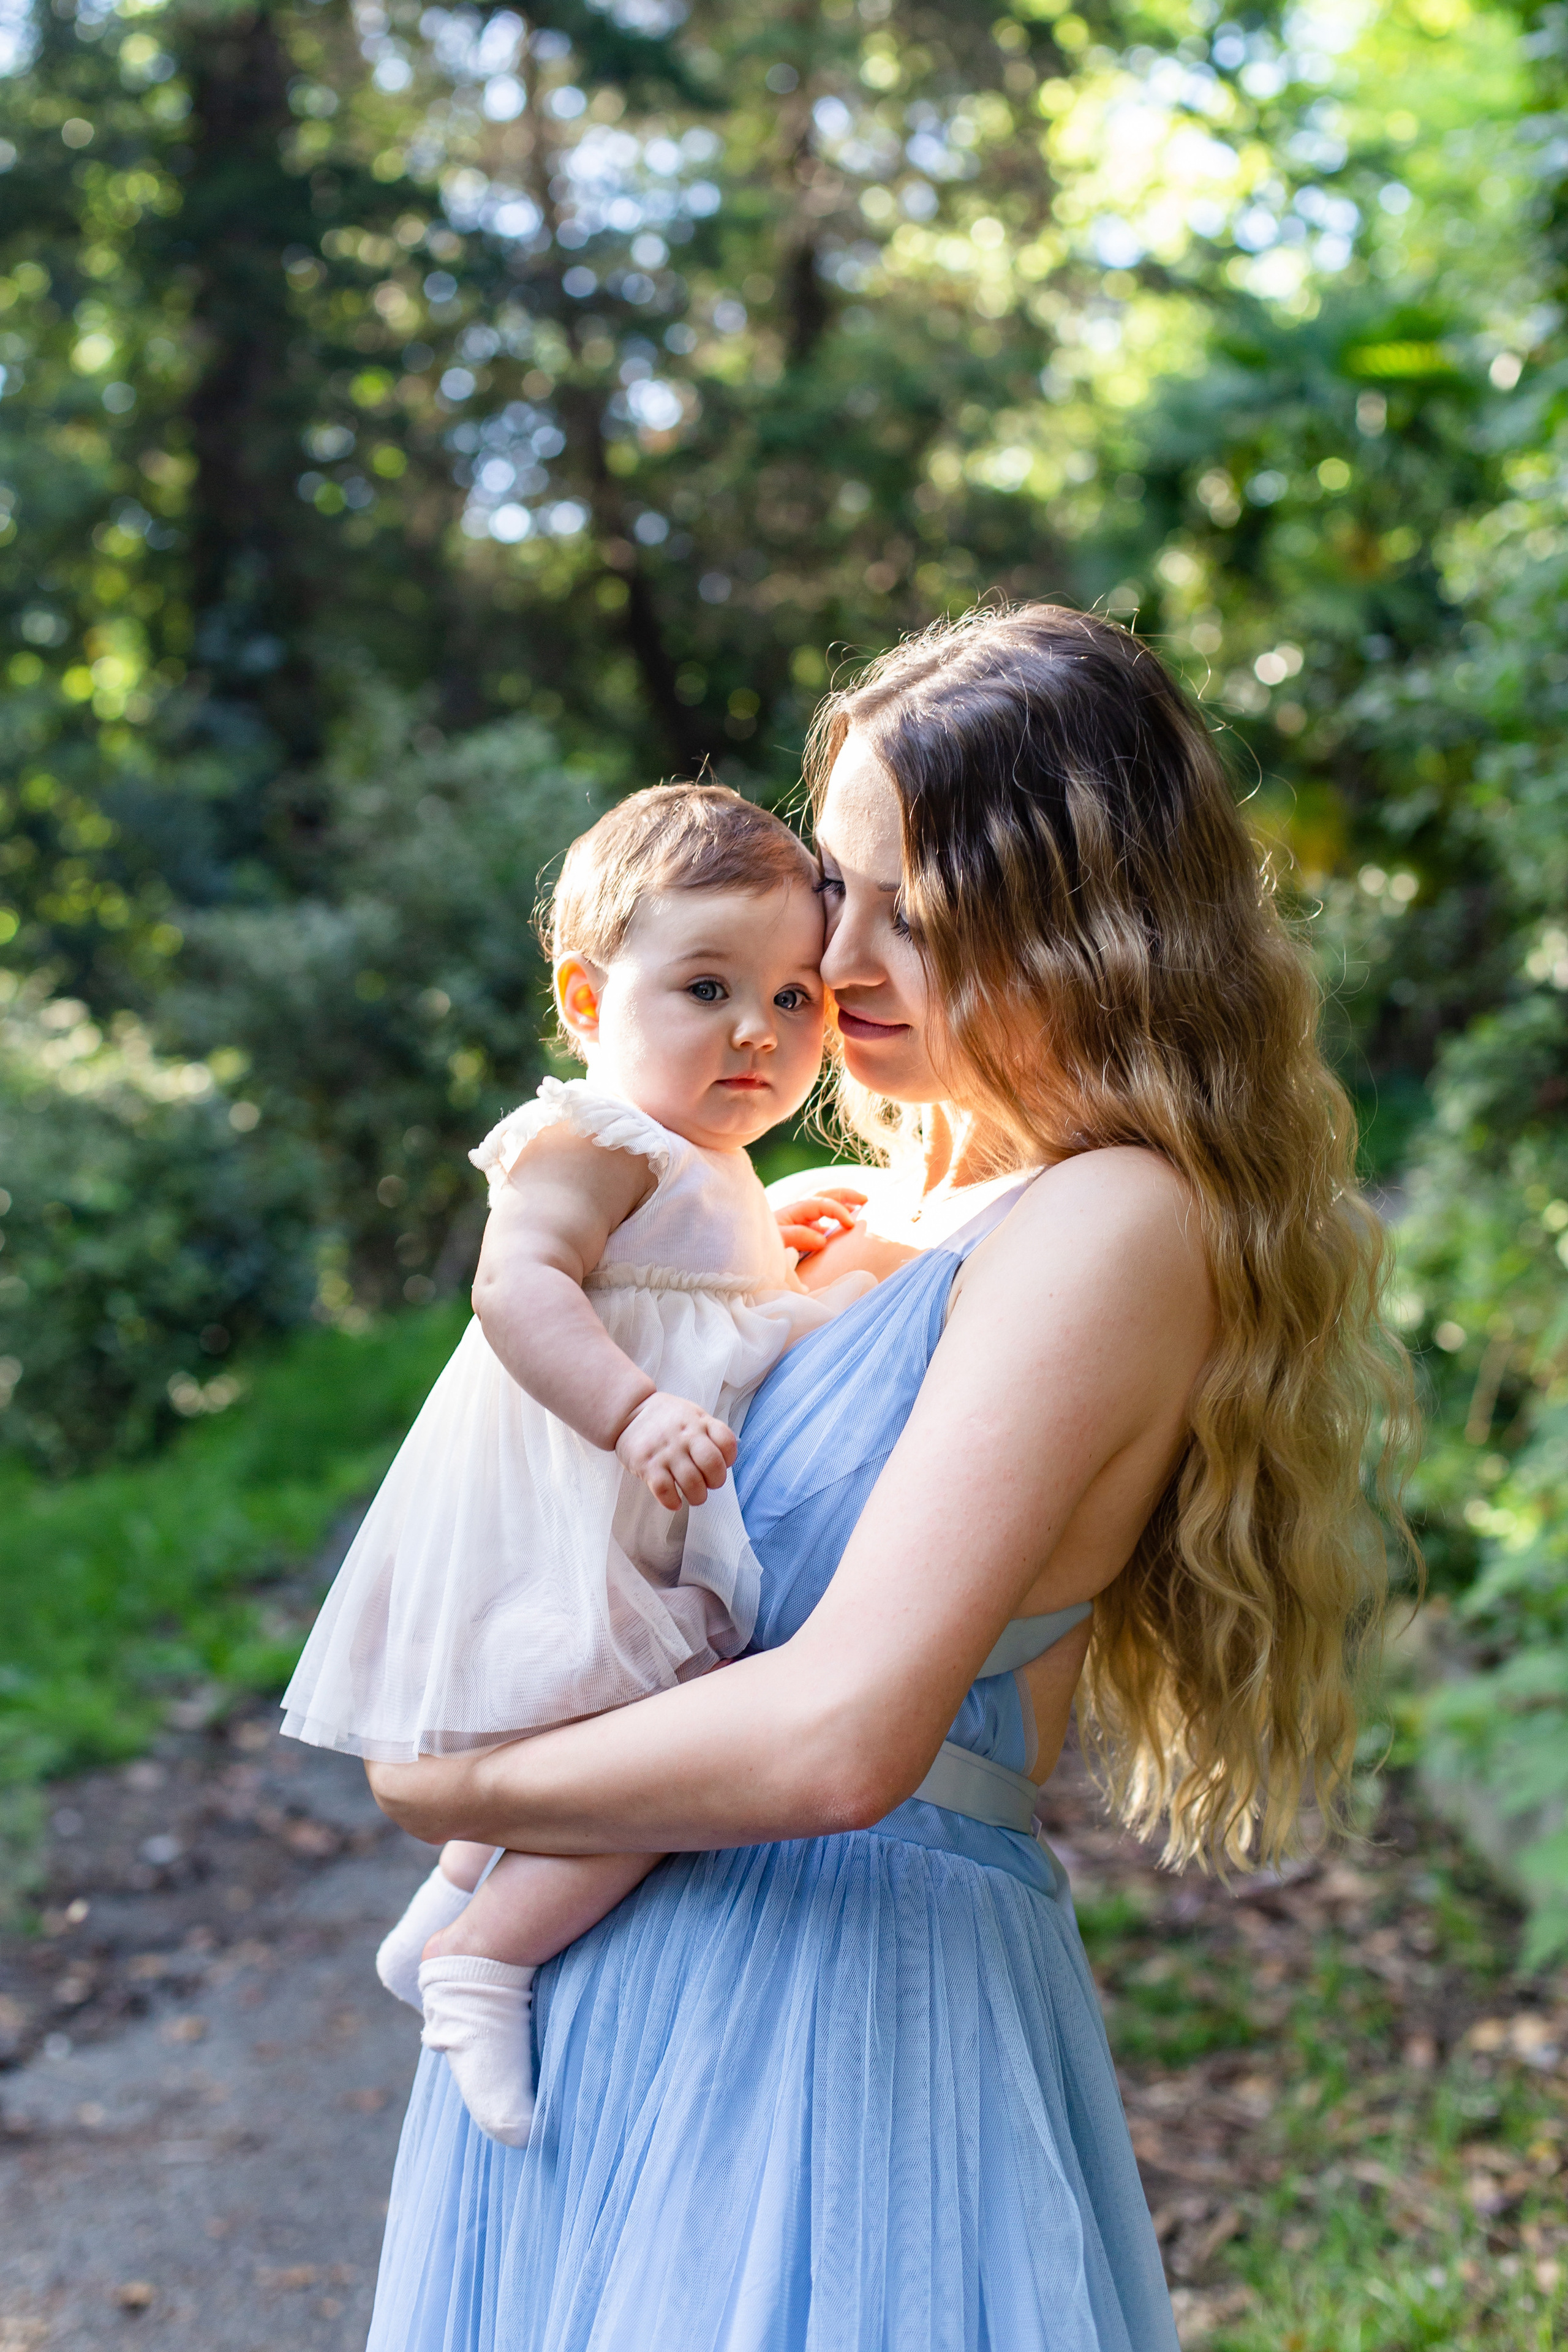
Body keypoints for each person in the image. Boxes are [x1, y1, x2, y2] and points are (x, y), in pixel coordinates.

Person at [363, 603, 1412, 2351]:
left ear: (1086, 931)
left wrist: (446, 1785)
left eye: (922, 915)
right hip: (611, 2014)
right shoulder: (871, 1215)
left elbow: (844, 1736)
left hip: (826, 2028)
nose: (842, 955)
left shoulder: (1117, 1220)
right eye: (841, 888)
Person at [281, 783, 870, 2146]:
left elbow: (675, 1282)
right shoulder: (590, 1135)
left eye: (795, 999)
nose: (755, 1031)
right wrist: (632, 1413)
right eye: (708, 986)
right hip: (572, 1511)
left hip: (617, 1526)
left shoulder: (686, 1157)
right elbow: (521, 1286)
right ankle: (482, 1955)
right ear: (590, 1001)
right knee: (657, 1751)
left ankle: (451, 1890)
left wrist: (768, 1231)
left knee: (577, 1733)